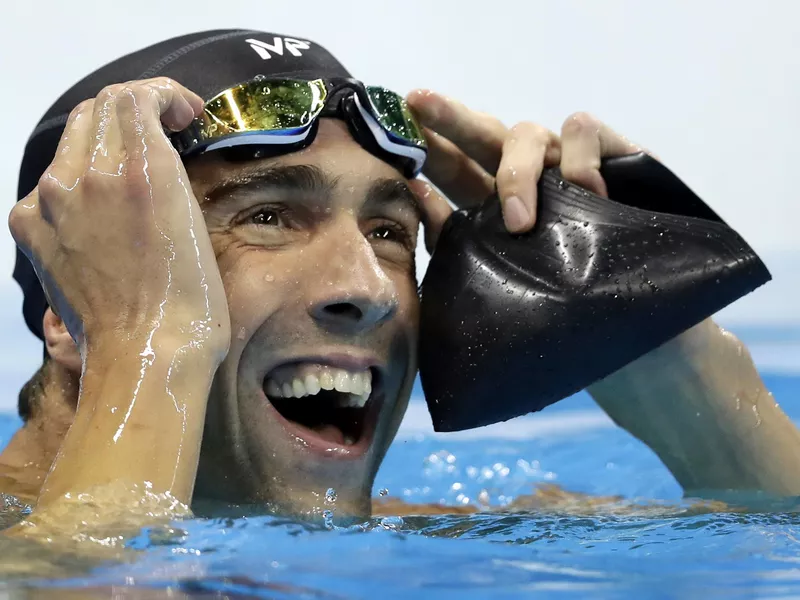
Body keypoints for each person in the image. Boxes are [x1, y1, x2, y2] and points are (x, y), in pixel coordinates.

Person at [5, 29, 800, 528]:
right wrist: (150, 343)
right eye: (270, 217)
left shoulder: (435, 532)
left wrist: (680, 370)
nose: (371, 287)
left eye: (389, 232)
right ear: (68, 313)